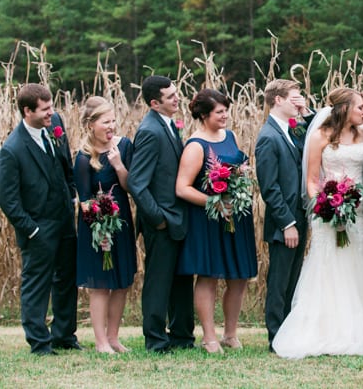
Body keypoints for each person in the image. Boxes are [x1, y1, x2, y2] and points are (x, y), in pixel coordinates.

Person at [271, 87, 363, 358]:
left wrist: (353, 204)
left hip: (359, 213)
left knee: (360, 265)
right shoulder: (320, 136)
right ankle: (327, 328)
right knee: (329, 267)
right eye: (359, 106)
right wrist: (325, 206)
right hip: (328, 213)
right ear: (343, 109)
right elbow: (312, 180)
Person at [0, 83, 80, 355]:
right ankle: (39, 342)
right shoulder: (12, 149)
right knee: (37, 284)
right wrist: (32, 230)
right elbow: (7, 199)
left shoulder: (55, 124)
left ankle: (64, 335)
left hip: (65, 218)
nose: (51, 113)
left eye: (51, 107)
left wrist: (71, 195)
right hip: (38, 227)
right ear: (27, 110)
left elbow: (66, 164)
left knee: (66, 279)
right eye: (45, 109)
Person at [175, 89, 258, 353]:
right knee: (209, 275)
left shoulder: (230, 136)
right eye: (219, 112)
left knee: (239, 276)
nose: (225, 116)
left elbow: (239, 169)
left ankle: (230, 333)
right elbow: (183, 188)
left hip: (236, 217)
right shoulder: (196, 146)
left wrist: (242, 182)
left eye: (226, 110)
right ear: (203, 115)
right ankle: (209, 336)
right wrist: (215, 203)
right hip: (209, 219)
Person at [128, 75, 195, 353]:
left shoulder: (167, 125)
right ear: (155, 103)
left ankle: (181, 335)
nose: (176, 99)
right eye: (170, 97)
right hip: (162, 222)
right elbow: (137, 183)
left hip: (178, 219)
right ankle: (156, 339)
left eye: (176, 93)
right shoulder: (149, 131)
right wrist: (158, 219)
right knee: (159, 282)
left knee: (181, 280)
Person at [255, 79, 314, 351]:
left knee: (293, 280)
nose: (298, 100)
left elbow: (315, 136)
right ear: (277, 100)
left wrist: (306, 113)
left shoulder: (291, 130)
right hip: (285, 222)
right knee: (279, 283)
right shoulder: (268, 137)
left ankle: (288, 334)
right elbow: (270, 187)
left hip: (299, 217)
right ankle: (275, 337)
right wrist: (287, 223)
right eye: (294, 96)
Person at [74, 96, 136, 354]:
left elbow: (130, 187)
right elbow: (85, 200)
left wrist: (119, 165)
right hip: (96, 227)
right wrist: (98, 230)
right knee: (100, 285)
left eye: (113, 120)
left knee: (122, 282)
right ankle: (100, 342)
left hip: (121, 221)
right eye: (105, 122)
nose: (111, 126)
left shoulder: (123, 146)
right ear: (91, 125)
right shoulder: (83, 157)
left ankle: (113, 337)